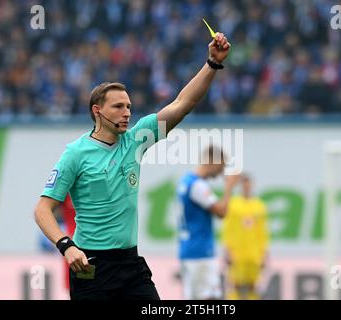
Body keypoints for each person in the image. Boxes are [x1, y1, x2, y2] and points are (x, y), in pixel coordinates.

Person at [34, 32, 231, 300]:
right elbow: (42, 209)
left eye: (128, 106)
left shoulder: (137, 140)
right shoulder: (75, 154)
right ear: (97, 111)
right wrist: (66, 246)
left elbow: (183, 104)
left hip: (130, 264)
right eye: (118, 107)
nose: (127, 112)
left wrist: (212, 64)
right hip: (91, 265)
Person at [177, 145, 240, 300]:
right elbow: (221, 212)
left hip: (189, 250)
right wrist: (229, 186)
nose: (221, 173)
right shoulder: (197, 185)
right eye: (221, 166)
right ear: (212, 161)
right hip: (201, 253)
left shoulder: (185, 181)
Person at [221, 174, 270, 300]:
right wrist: (227, 250)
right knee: (235, 287)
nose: (246, 187)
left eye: (248, 184)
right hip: (237, 255)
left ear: (252, 185)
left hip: (254, 255)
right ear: (241, 186)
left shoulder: (259, 206)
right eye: (244, 184)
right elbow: (227, 229)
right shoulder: (233, 205)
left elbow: (263, 233)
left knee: (253, 288)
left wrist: (264, 253)